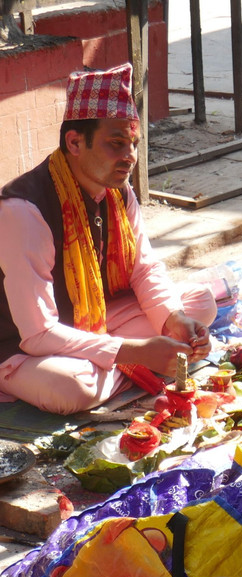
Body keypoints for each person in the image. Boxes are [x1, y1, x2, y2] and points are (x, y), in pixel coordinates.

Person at [0, 63, 216, 415]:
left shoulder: (119, 192)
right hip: (22, 343)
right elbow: (38, 333)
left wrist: (175, 319)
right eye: (116, 144)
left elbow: (143, 269)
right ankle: (132, 364)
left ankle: (122, 362)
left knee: (200, 305)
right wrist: (134, 352)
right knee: (70, 388)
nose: (129, 157)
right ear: (74, 142)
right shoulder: (24, 210)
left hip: (95, 319)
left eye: (133, 144)